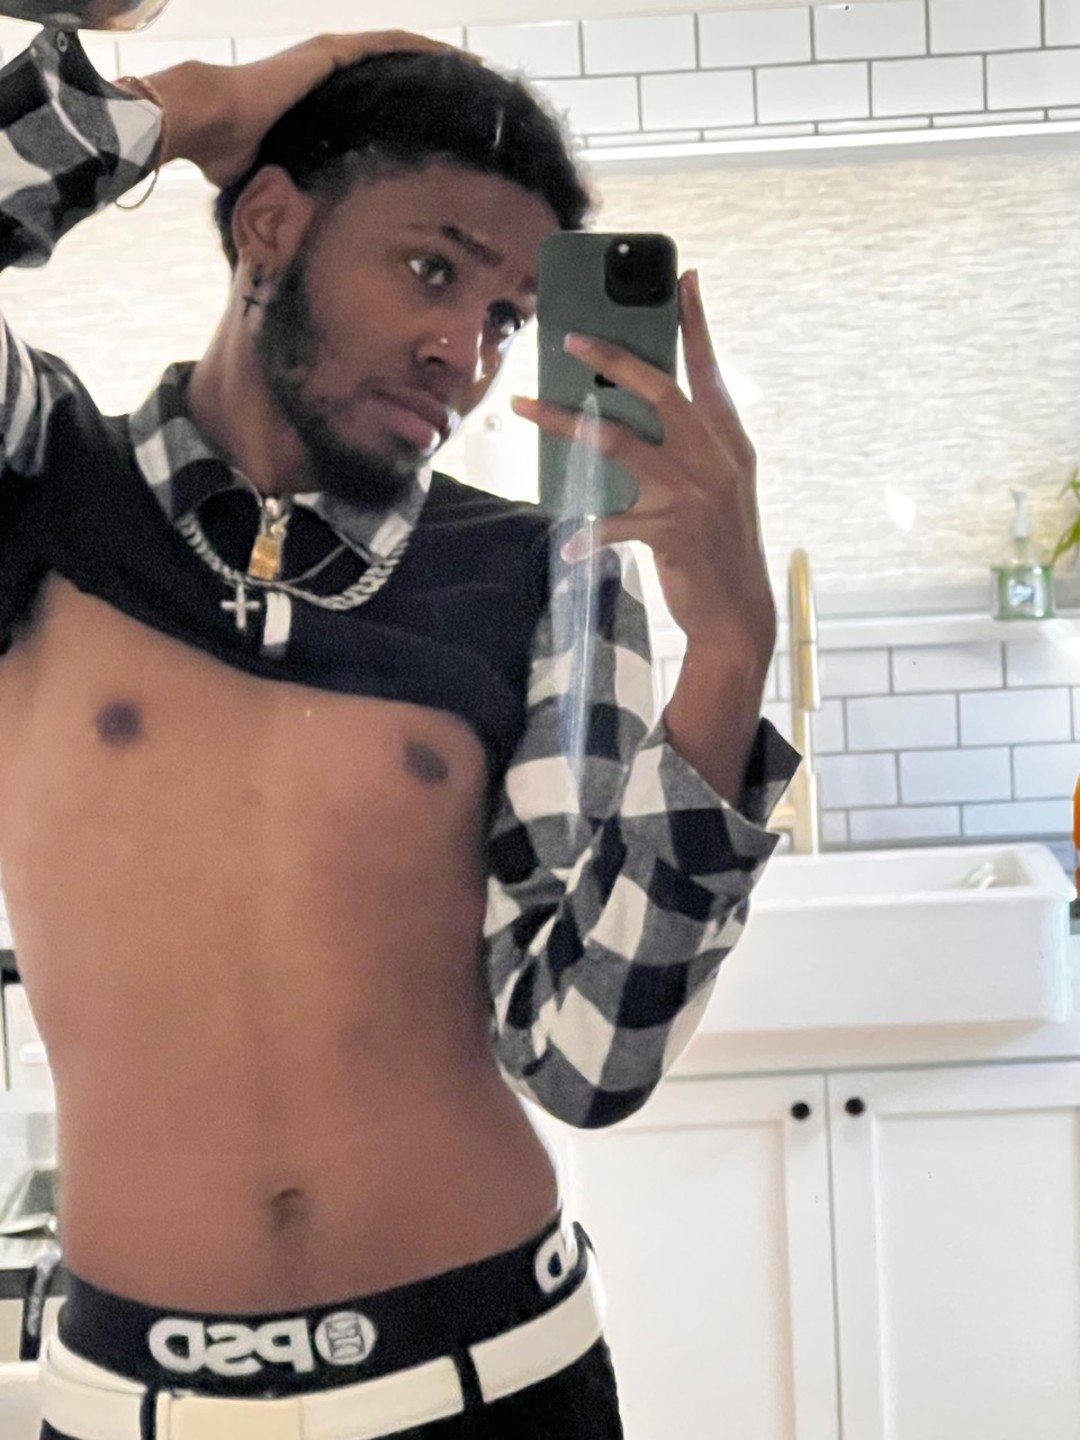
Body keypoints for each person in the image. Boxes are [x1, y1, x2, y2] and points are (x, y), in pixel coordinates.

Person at [0, 20, 798, 1440]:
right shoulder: (44, 481)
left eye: (505, 318)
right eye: (434, 269)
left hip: (499, 1375)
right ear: (269, 224)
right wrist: (197, 109)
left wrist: (731, 652)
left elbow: (586, 1057)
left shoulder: (538, 576)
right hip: (134, 1402)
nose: (463, 352)